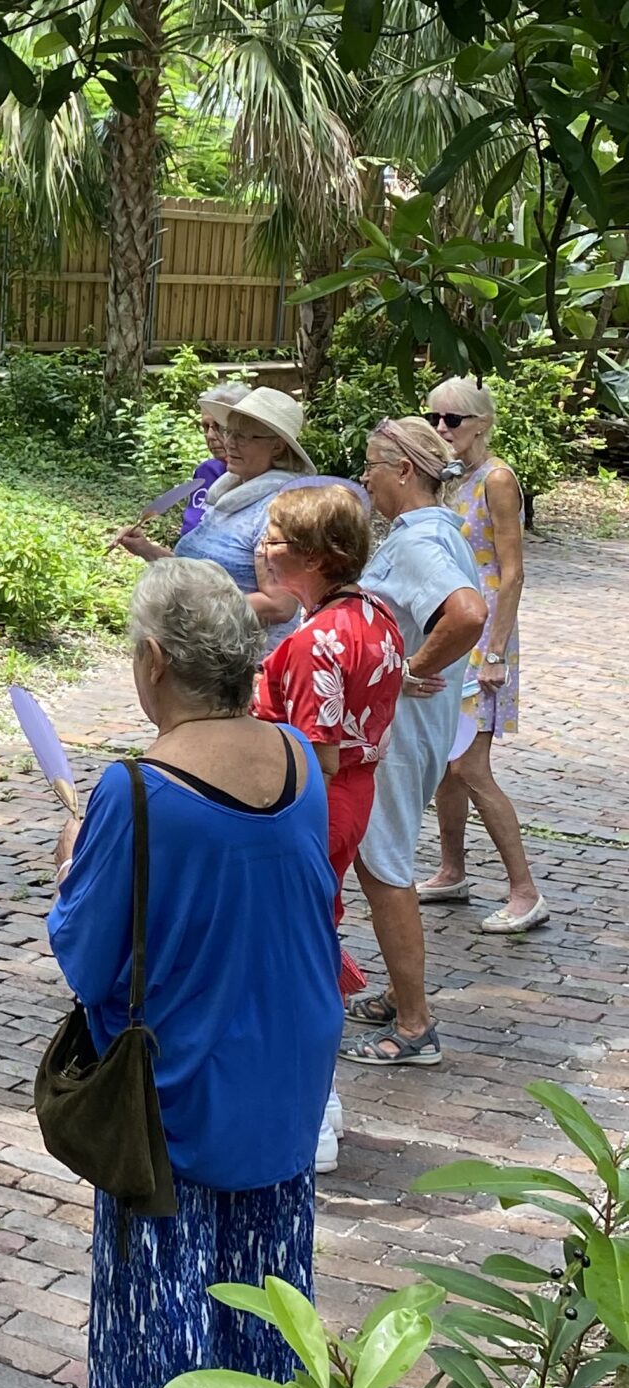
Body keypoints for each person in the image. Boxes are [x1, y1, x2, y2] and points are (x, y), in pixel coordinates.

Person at [50, 559, 342, 1388]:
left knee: (163, 1258)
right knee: (266, 1247)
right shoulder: (300, 759)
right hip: (290, 1047)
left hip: (181, 1065)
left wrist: (69, 871)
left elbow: (90, 959)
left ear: (154, 663)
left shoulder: (138, 790)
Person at [254, 484, 407, 1169]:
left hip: (310, 804)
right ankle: (319, 1099)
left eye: (277, 540)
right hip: (355, 793)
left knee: (293, 951)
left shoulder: (317, 639)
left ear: (319, 556)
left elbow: (310, 753)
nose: (264, 549)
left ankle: (310, 1106)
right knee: (314, 932)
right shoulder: (375, 614)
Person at [343, 419, 487, 1068]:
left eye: (372, 465)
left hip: (397, 735)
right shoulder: (429, 535)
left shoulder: (421, 541)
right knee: (382, 865)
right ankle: (402, 995)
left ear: (403, 470)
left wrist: (410, 669)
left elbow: (467, 614)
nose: (364, 477)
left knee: (385, 867)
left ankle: (414, 1025)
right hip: (406, 732)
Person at [418, 378, 545, 934]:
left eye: (452, 419)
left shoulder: (496, 479)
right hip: (453, 628)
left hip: (485, 634)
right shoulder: (451, 479)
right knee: (448, 762)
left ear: (480, 423)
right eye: (435, 418)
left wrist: (495, 651)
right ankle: (452, 870)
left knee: (471, 766)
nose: (442, 428)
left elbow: (513, 570)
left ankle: (525, 891)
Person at [116, 386, 312, 641]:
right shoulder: (229, 493)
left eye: (243, 436)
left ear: (276, 447)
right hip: (203, 653)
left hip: (242, 664)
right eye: (228, 431)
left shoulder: (281, 510)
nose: (229, 442)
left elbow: (279, 606)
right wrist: (147, 549)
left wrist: (193, 604)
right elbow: (201, 571)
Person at [179, 379, 251, 533]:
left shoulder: (264, 481)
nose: (210, 435)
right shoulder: (206, 472)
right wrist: (146, 548)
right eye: (205, 427)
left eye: (219, 426)